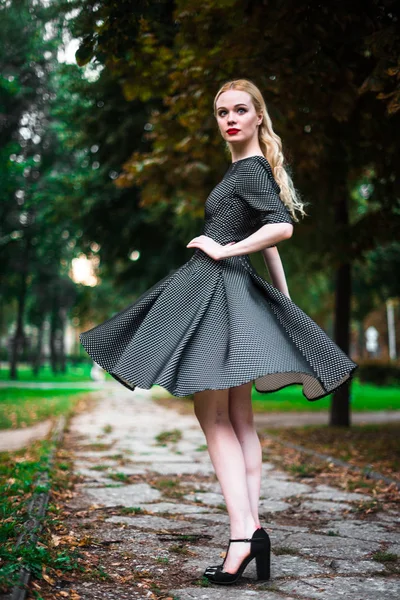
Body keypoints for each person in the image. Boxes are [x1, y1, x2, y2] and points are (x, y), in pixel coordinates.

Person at [79, 78, 358, 585]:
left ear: (258, 118)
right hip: (233, 295)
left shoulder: (249, 169)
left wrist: (223, 249)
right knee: (239, 418)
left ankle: (242, 534)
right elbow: (268, 239)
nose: (230, 118)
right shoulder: (247, 169)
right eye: (221, 111)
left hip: (219, 291)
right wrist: (284, 300)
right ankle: (252, 529)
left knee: (213, 416)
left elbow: (280, 228)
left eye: (240, 110)